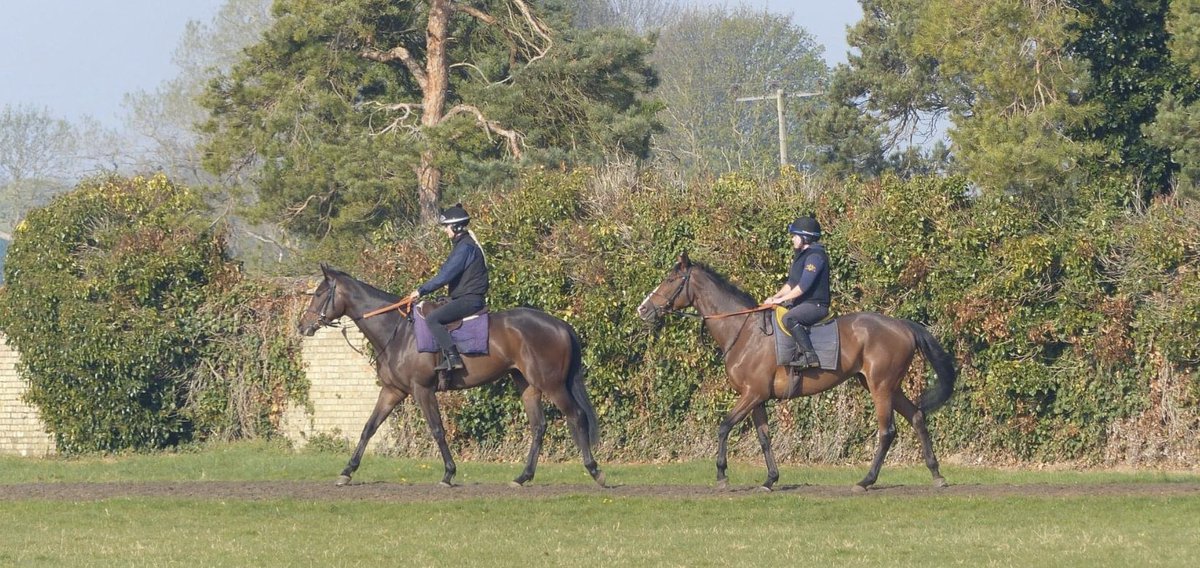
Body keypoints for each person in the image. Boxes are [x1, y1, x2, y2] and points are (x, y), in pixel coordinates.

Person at [407, 204, 489, 371]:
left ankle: (453, 357)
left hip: (469, 300)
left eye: (446, 227)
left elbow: (445, 276)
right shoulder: (462, 245)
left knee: (433, 319)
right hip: (462, 298)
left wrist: (421, 290)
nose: (445, 231)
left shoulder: (465, 248)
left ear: (456, 227)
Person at [764, 216, 830, 368]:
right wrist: (775, 297)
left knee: (789, 318)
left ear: (804, 237)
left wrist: (781, 301)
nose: (792, 239)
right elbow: (792, 283)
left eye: (795, 236)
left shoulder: (815, 257)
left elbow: (803, 286)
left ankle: (810, 356)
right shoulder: (800, 256)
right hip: (803, 304)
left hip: (816, 305)